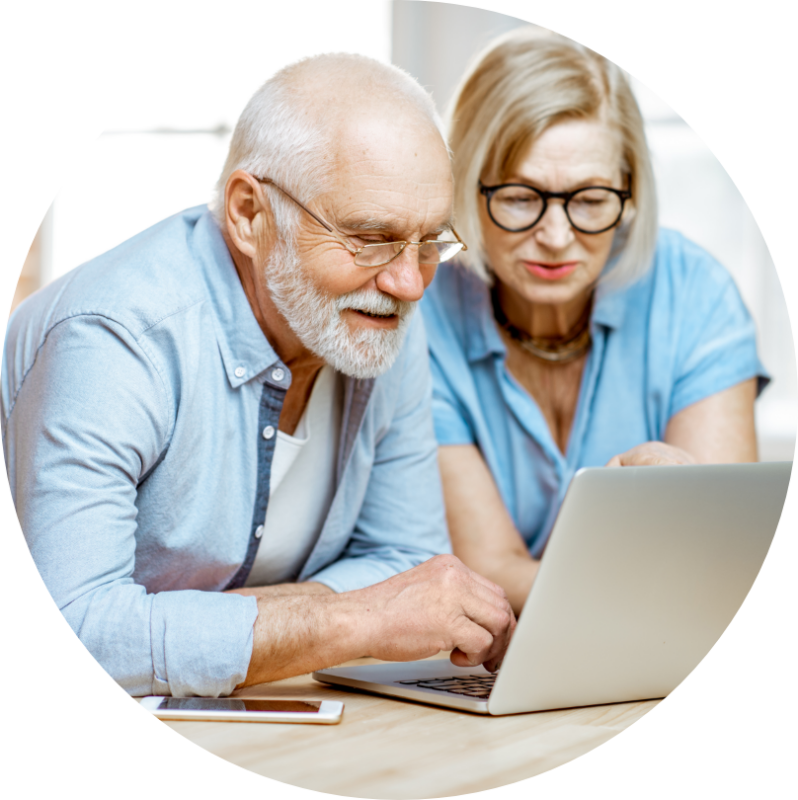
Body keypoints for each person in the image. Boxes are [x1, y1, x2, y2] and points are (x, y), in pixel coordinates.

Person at [1, 54, 514, 697]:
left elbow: (406, 561)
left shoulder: (379, 315)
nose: (410, 283)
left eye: (430, 241)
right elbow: (83, 627)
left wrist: (202, 628)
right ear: (249, 213)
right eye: (369, 237)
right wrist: (354, 619)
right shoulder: (115, 337)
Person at [419, 29, 768, 614]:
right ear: (465, 188)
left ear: (629, 194)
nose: (557, 237)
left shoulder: (695, 294)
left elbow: (715, 564)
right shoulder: (426, 314)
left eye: (590, 199)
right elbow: (488, 571)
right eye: (520, 197)